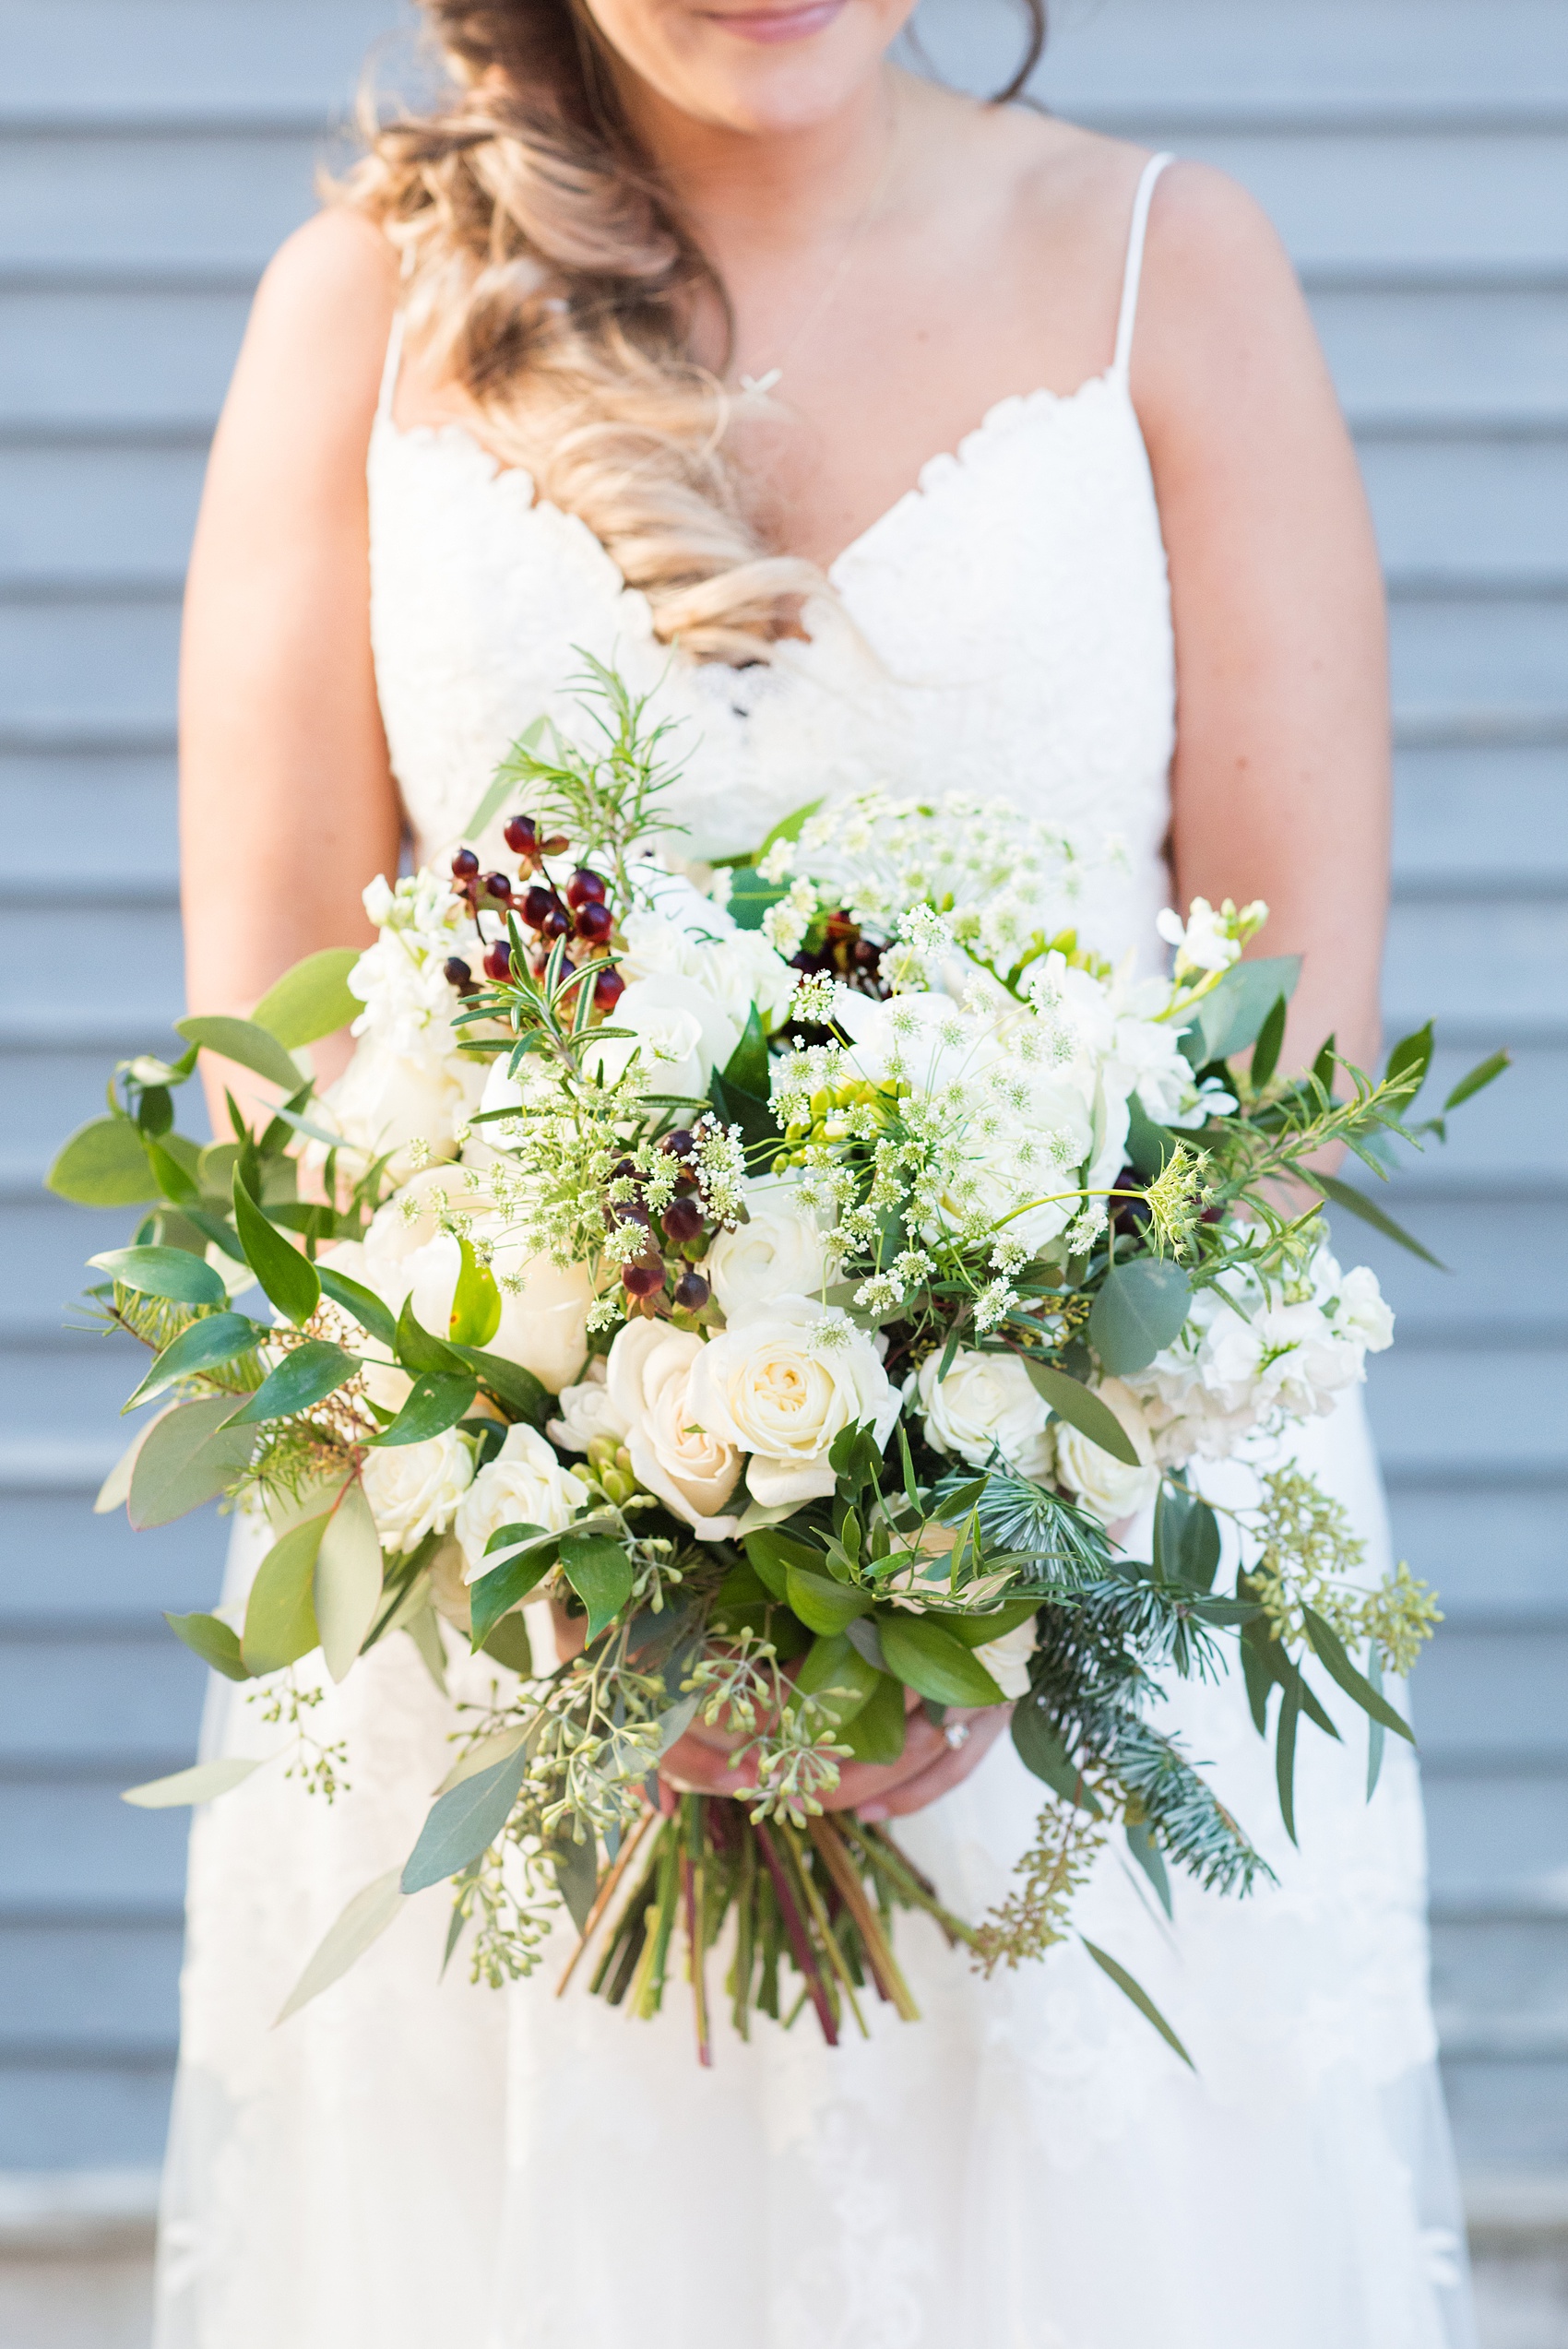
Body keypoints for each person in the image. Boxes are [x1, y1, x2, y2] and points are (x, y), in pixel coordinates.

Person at [163, 4, 1476, 2343]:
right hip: (510, 1662)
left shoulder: (1173, 270)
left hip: (1085, 1594)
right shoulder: (357, 315)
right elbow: (271, 1064)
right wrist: (542, 1523)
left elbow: (1291, 1041)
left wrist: (991, 1537)